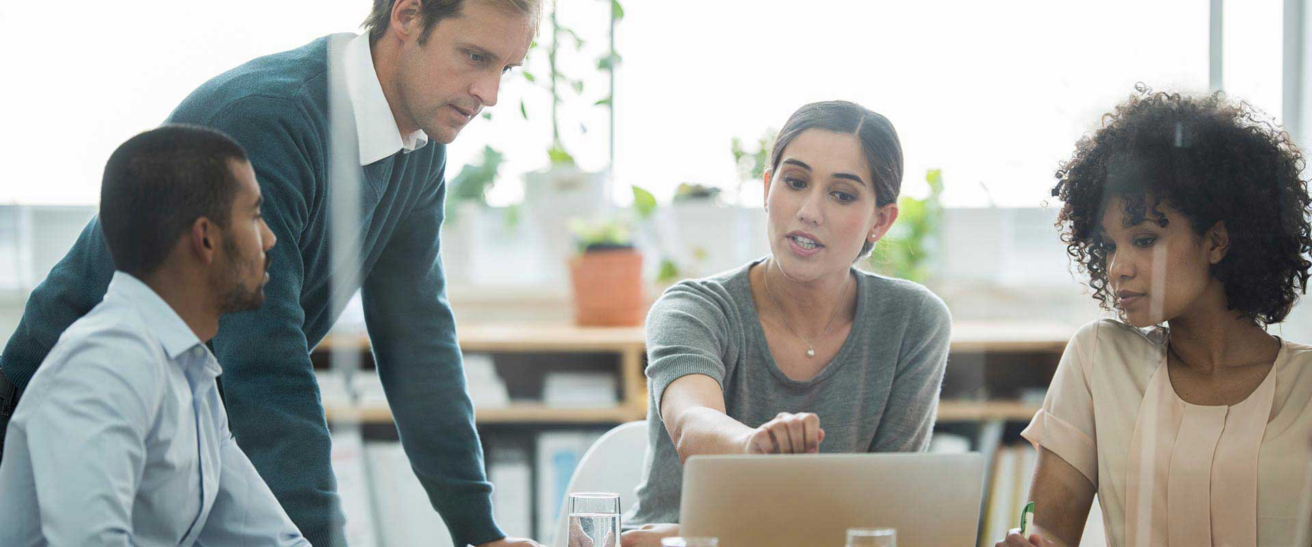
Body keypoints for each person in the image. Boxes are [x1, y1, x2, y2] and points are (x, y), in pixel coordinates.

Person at [0, 1, 541, 545]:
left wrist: (481, 533)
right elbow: (264, 368)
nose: (489, 93)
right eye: (475, 57)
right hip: (79, 417)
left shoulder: (420, 145)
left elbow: (417, 337)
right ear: (407, 16)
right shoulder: (268, 120)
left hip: (187, 402)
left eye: (506, 69)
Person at [621, 100, 952, 546]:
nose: (809, 211)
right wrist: (752, 447)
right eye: (795, 182)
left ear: (881, 220)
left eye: (842, 194)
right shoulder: (692, 309)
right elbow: (692, 423)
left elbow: (884, 514)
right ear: (766, 188)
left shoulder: (914, 322)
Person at [998, 88, 1312, 547]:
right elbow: (1047, 528)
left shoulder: (1306, 387)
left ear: (1216, 241)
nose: (1116, 267)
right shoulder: (1098, 359)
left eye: (1144, 240)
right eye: (1108, 246)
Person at [0, 125, 308, 545]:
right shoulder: (102, 368)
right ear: (205, 239)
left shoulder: (188, 370)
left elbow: (265, 537)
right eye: (254, 216)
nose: (270, 238)